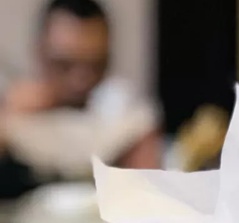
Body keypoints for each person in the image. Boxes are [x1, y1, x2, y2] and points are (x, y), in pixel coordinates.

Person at [0, 0, 161, 199]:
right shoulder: (10, 115)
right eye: (64, 65)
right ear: (40, 52)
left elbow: (150, 199)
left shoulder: (126, 120)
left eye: (96, 65)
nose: (80, 81)